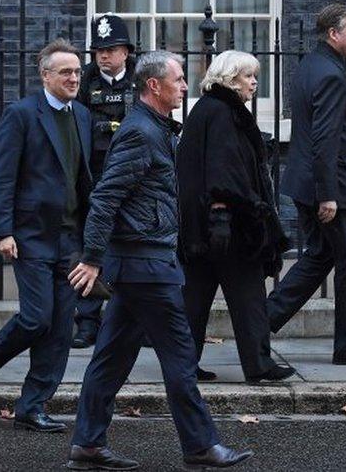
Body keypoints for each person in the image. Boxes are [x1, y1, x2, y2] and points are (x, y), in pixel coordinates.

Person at [66, 51, 252, 471]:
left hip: (140, 265)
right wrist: (93, 258)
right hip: (146, 265)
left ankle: (88, 443)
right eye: (179, 79)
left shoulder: (155, 129)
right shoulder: (139, 133)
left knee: (111, 358)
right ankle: (200, 444)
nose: (186, 86)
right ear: (154, 86)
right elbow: (105, 198)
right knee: (181, 355)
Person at [0, 39, 94, 433]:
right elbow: (2, 175)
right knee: (37, 318)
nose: (74, 78)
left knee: (59, 327)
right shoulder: (22, 114)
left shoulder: (82, 116)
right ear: (45, 75)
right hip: (31, 235)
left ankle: (33, 405)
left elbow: (83, 179)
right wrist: (1, 230)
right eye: (66, 72)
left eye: (77, 71)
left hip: (70, 239)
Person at [266, 3, 346, 366]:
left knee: (319, 258)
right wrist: (329, 195)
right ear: (333, 34)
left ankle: (260, 322)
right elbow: (325, 139)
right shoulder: (331, 74)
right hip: (341, 190)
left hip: (317, 184)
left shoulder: (312, 66)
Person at [178, 50, 294, 384]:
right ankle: (259, 364)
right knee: (249, 297)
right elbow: (223, 172)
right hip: (228, 228)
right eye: (248, 76)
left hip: (201, 228)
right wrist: (234, 212)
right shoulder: (224, 113)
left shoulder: (209, 109)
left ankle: (183, 365)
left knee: (195, 300)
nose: (254, 82)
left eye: (254, 76)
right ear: (230, 78)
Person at [71, 14, 137, 349]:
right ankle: (87, 320)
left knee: (132, 246)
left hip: (132, 175)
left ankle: (136, 320)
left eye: (110, 49)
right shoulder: (85, 82)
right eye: (98, 50)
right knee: (90, 245)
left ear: (126, 51)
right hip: (94, 175)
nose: (103, 55)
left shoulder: (141, 81)